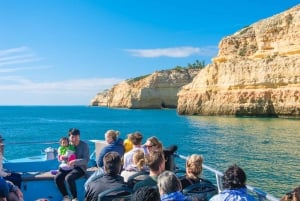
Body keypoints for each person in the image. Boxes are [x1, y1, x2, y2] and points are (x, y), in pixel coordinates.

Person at [54, 128, 90, 201]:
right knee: (57, 178)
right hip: (68, 167)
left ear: (79, 136)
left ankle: (74, 198)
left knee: (69, 177)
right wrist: (61, 157)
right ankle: (66, 196)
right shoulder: (67, 144)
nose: (75, 139)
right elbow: (61, 154)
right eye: (72, 137)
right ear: (69, 137)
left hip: (80, 167)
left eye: (76, 137)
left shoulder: (84, 145)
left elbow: (86, 160)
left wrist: (74, 161)